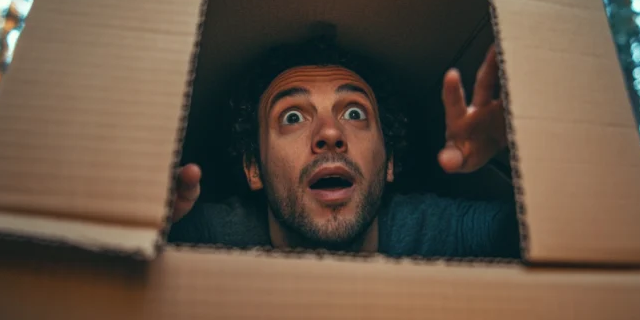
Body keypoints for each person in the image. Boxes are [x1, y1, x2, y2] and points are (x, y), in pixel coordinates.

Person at [168, 36, 520, 258]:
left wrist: (521, 155)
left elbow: (547, 238)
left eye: (354, 112)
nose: (331, 132)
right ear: (253, 169)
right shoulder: (215, 237)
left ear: (391, 162)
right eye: (292, 117)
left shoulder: (432, 230)